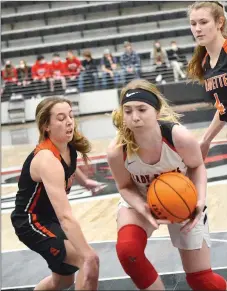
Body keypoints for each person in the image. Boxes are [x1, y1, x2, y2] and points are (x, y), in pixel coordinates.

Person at [107, 79, 227, 290]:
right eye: (128, 111)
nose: (135, 117)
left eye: (142, 109)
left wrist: (199, 201)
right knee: (128, 252)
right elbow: (125, 186)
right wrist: (142, 208)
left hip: (182, 199)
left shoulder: (178, 137)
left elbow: (197, 166)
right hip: (140, 198)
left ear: (157, 110)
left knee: (202, 281)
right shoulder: (118, 150)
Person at [11, 97, 100, 290]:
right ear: (46, 126)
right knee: (88, 261)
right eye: (60, 118)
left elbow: (68, 167)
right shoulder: (46, 160)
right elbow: (65, 217)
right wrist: (87, 253)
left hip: (49, 218)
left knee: (63, 281)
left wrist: (85, 181)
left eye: (70, 115)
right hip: (31, 221)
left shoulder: (68, 147)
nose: (69, 121)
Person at [187, 1, 227, 160]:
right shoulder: (204, 63)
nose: (197, 29)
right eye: (193, 23)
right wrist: (206, 139)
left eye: (203, 22)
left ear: (220, 22)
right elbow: (224, 108)